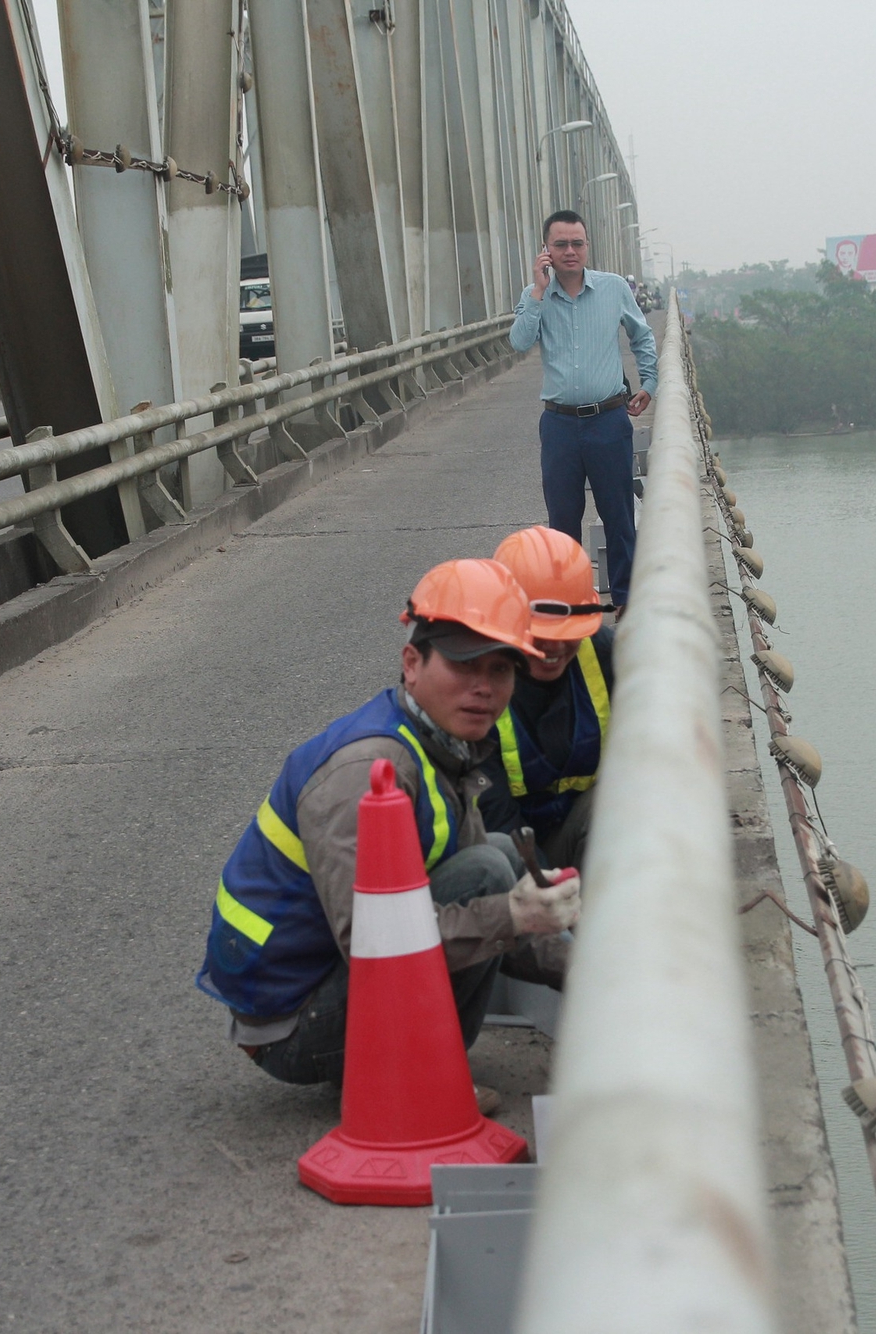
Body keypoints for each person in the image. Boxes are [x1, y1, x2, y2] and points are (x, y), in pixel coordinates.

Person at [195, 559, 581, 1089]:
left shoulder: (441, 743)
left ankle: (416, 1059)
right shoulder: (369, 770)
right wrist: (512, 917)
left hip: (327, 979)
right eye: (465, 666)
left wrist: (586, 969)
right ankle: (419, 1081)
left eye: (501, 669)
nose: (484, 688)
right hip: (291, 1027)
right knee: (492, 875)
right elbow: (371, 942)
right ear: (412, 663)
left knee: (499, 856)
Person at [508, 209, 659, 608]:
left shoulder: (612, 289)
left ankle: (626, 601)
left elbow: (642, 336)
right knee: (562, 522)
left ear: (587, 246)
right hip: (559, 425)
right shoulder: (534, 296)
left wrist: (650, 383)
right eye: (560, 244)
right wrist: (538, 293)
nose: (570, 251)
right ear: (546, 251)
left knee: (619, 516)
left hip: (609, 419)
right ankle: (572, 602)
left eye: (577, 243)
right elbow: (520, 342)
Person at [478, 526, 614, 872]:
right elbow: (493, 815)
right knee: (496, 858)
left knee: (615, 809)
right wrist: (545, 896)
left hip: (576, 835)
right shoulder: (474, 686)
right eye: (538, 634)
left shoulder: (604, 656)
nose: (552, 647)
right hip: (507, 850)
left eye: (565, 634)